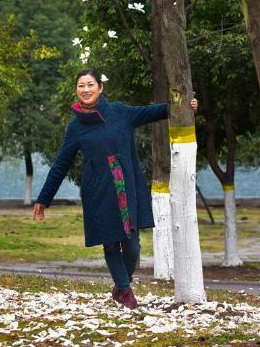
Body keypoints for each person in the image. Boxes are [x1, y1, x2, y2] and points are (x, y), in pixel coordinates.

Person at [33, 67, 197, 310]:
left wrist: (183, 106)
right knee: (110, 242)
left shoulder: (120, 112)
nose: (85, 90)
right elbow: (60, 165)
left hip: (126, 186)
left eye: (90, 85)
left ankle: (122, 284)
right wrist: (44, 198)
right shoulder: (75, 128)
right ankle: (126, 292)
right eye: (81, 85)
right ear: (76, 90)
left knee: (132, 244)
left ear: (100, 88)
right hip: (98, 191)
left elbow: (153, 111)